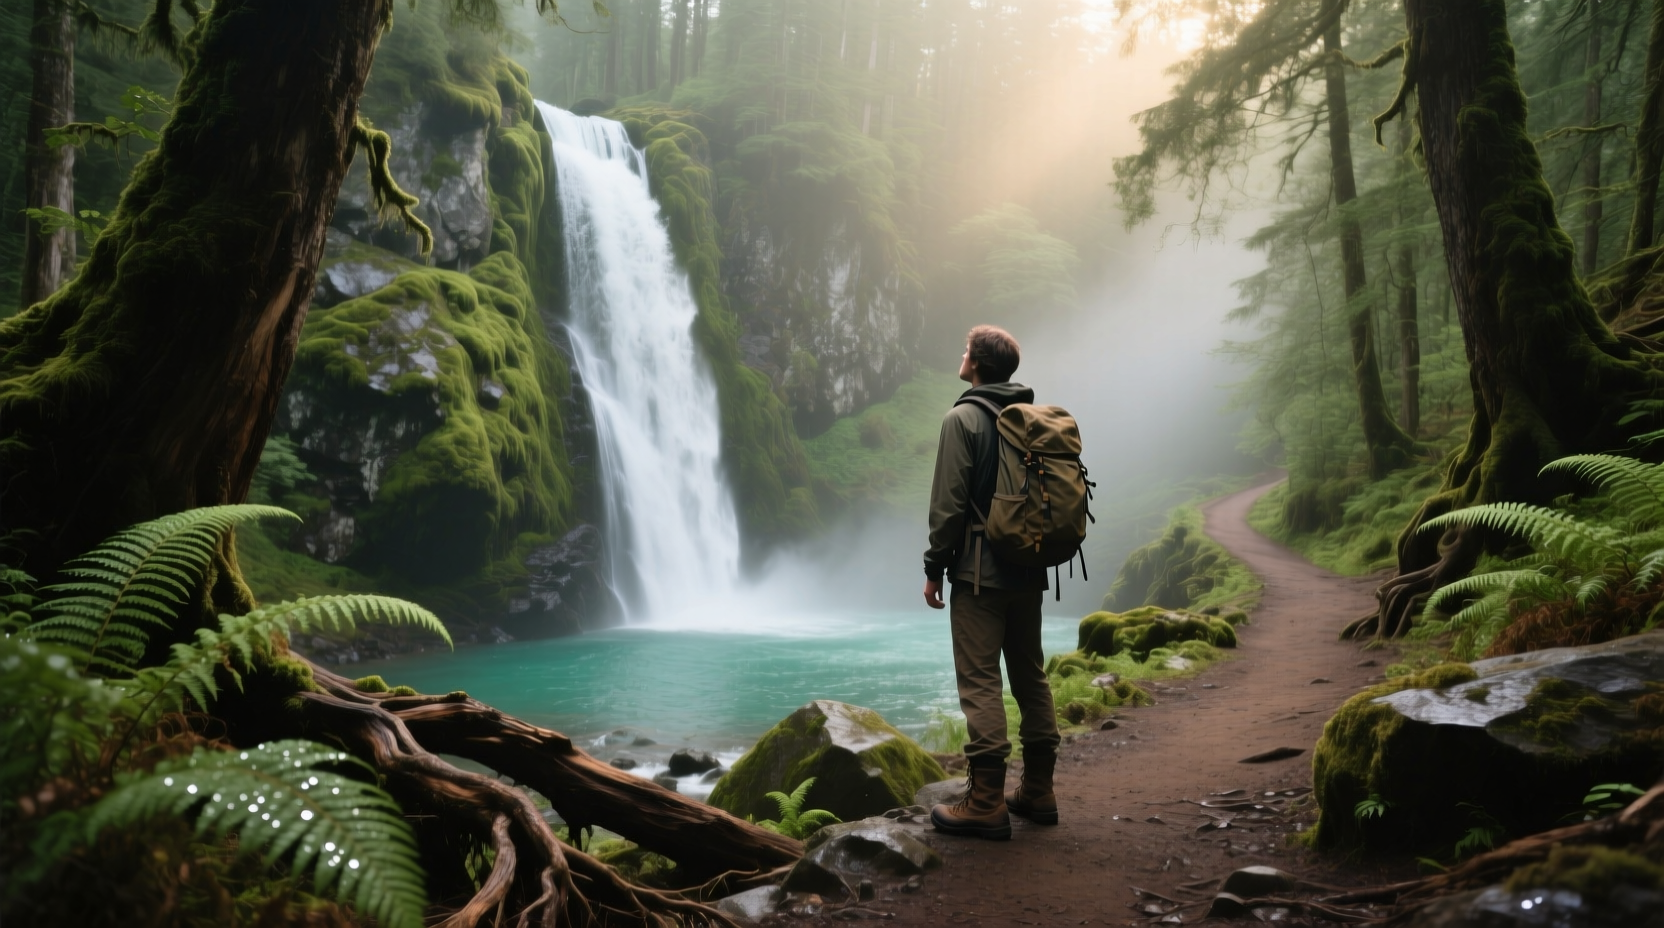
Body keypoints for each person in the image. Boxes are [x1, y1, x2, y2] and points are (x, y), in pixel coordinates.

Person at [922, 325, 1060, 841]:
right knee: (1030, 676)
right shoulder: (1029, 419)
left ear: (976, 365)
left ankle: (985, 802)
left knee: (980, 680)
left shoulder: (963, 419)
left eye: (964, 351)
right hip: (1029, 570)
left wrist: (934, 567)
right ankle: (1039, 791)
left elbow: (949, 504)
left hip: (980, 575)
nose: (961, 357)